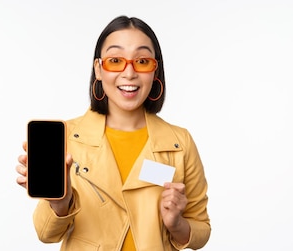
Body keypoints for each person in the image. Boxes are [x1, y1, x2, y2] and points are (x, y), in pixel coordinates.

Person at [15, 15, 211, 250]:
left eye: (142, 61)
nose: (129, 73)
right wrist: (61, 202)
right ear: (98, 69)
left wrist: (177, 224)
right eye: (116, 60)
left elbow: (202, 229)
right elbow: (46, 234)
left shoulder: (180, 143)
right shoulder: (67, 138)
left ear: (155, 71)